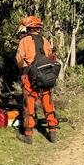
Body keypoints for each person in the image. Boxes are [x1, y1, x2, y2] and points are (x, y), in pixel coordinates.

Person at [16, 15, 59, 144]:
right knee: (47, 101)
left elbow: (19, 59)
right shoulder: (45, 41)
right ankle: (52, 132)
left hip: (29, 76)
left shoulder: (24, 41)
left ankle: (28, 135)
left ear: (28, 28)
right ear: (38, 28)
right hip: (45, 76)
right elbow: (51, 57)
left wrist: (22, 71)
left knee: (28, 104)